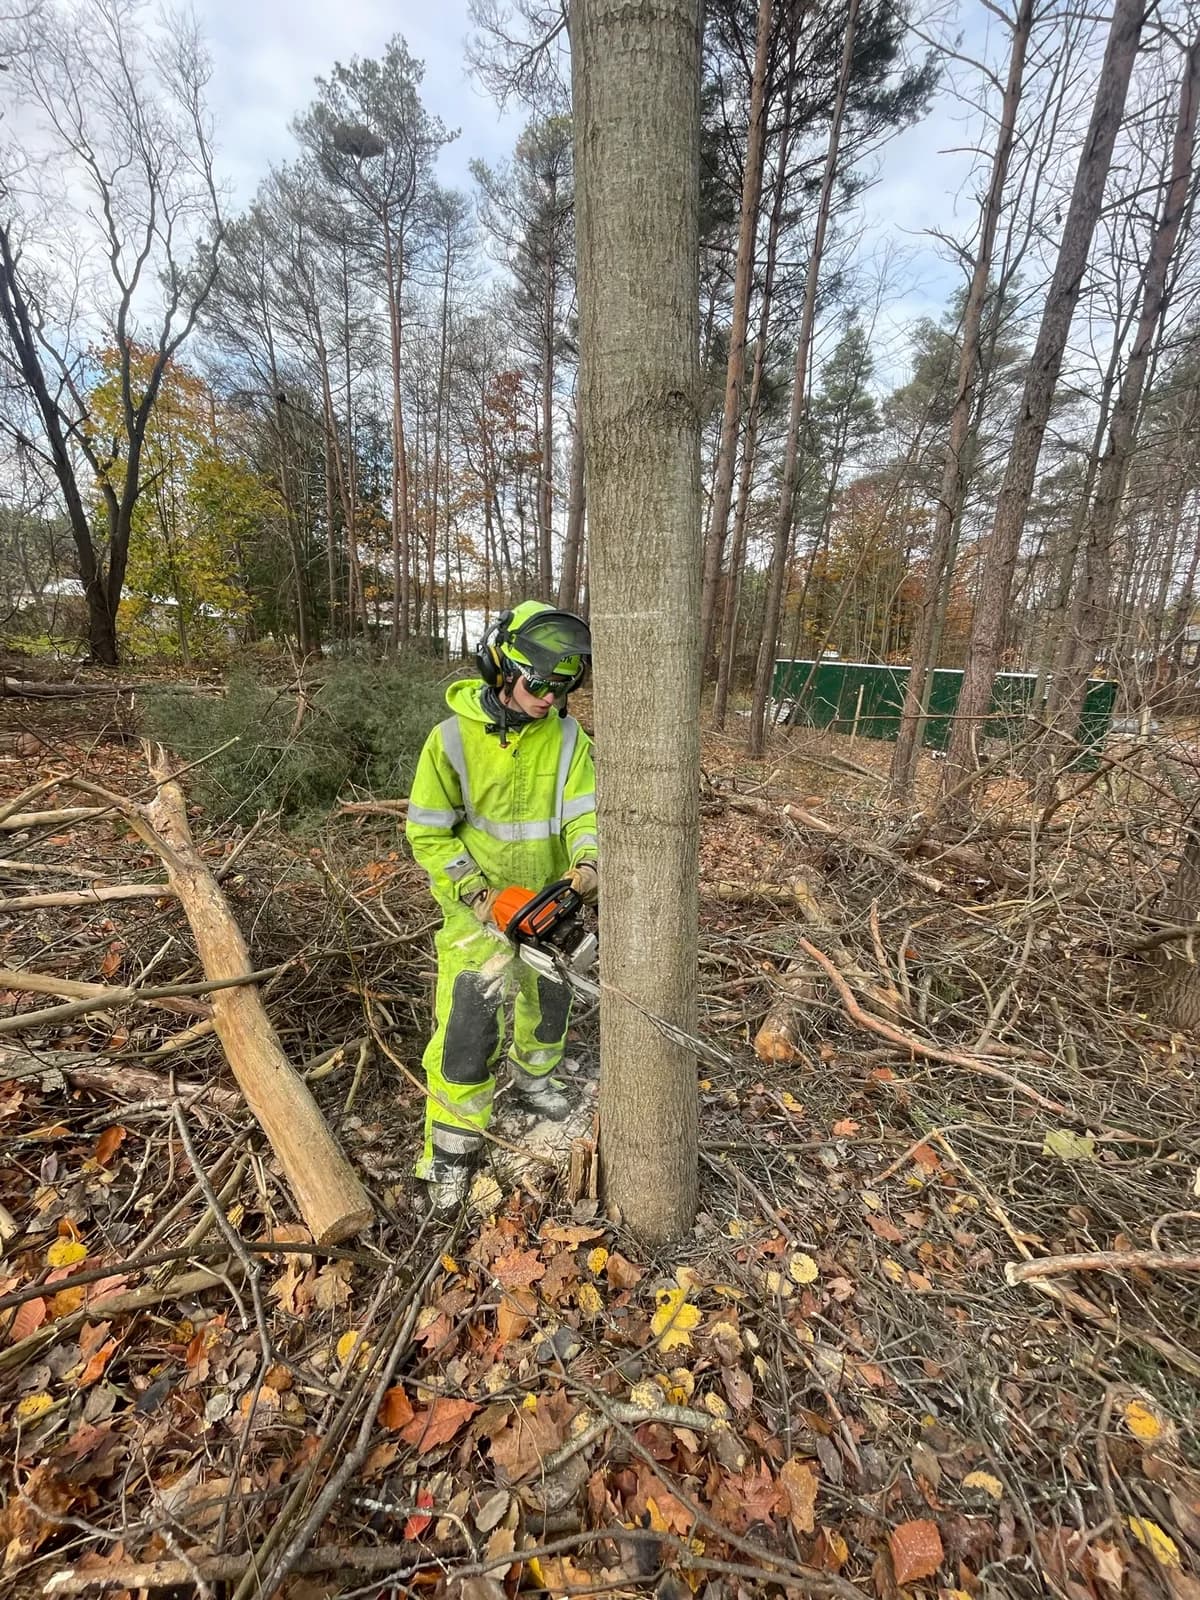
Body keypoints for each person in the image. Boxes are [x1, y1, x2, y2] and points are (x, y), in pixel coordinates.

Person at [405, 600, 600, 1213]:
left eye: (561, 687)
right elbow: (429, 834)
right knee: (468, 1021)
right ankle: (452, 1147)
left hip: (546, 901)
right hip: (478, 914)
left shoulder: (569, 738)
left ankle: (535, 1078)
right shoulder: (451, 741)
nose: (549, 698)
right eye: (539, 684)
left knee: (550, 1002)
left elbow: (584, 813)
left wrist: (588, 864)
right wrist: (477, 894)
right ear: (503, 668)